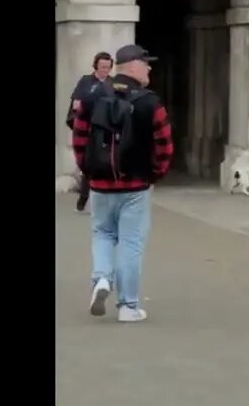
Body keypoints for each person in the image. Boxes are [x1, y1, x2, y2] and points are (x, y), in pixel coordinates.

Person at [70, 44, 173, 323]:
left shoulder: (92, 98)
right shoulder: (150, 102)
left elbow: (79, 139)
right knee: (130, 243)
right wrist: (155, 175)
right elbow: (164, 144)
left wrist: (89, 171)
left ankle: (102, 279)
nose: (149, 68)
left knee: (102, 233)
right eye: (145, 63)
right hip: (136, 185)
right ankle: (128, 306)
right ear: (132, 65)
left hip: (101, 184)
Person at [66, 52, 114, 212]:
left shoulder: (112, 84)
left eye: (108, 67)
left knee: (105, 164)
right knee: (88, 165)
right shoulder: (86, 82)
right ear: (96, 66)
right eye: (102, 67)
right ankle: (83, 199)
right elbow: (76, 105)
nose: (105, 71)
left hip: (106, 131)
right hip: (87, 130)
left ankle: (104, 202)